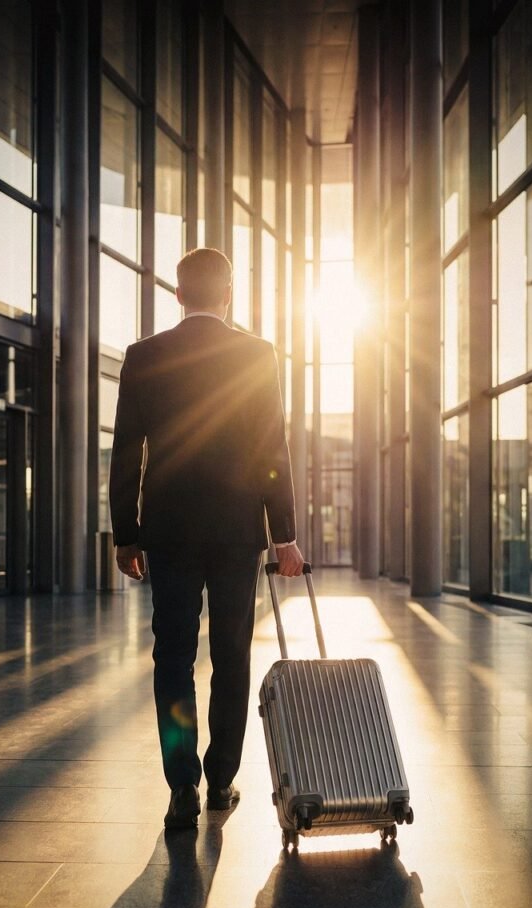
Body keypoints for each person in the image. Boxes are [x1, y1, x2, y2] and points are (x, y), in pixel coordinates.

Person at [109, 247, 304, 829]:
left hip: (166, 533)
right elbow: (273, 449)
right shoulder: (255, 354)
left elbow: (126, 453)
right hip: (234, 532)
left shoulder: (144, 356)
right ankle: (221, 779)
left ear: (177, 294)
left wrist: (126, 535)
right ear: (228, 294)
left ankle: (181, 788)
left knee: (171, 656)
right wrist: (284, 536)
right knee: (230, 654)